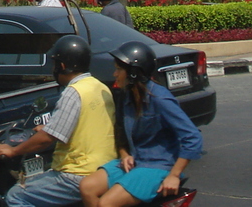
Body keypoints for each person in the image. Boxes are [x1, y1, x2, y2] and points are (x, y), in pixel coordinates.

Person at [0, 35, 116, 207]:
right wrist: (49, 127)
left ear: (62, 66)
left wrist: (13, 151)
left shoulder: (73, 92)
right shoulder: (99, 87)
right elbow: (87, 122)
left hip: (77, 173)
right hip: (106, 170)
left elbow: (46, 139)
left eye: (55, 64)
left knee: (16, 195)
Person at [81, 42, 203, 207]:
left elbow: (193, 137)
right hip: (137, 161)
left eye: (119, 69)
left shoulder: (160, 99)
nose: (115, 74)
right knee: (87, 187)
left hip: (158, 166)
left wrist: (174, 175)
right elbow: (121, 134)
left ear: (133, 74)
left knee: (106, 204)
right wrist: (125, 155)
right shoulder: (127, 96)